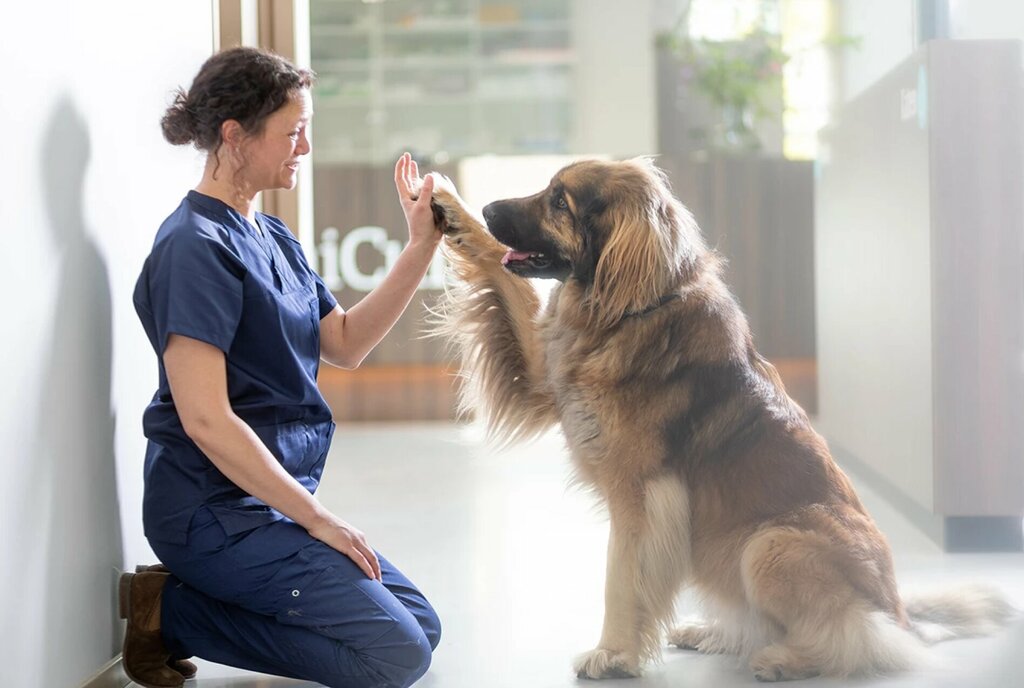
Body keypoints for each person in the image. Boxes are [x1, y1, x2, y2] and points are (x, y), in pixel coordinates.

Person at [121, 46, 442, 688]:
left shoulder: (270, 236)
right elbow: (206, 420)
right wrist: (317, 520)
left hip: (263, 504)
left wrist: (419, 246)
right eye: (293, 132)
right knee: (397, 655)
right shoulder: (193, 247)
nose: (305, 147)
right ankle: (172, 612)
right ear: (235, 137)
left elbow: (345, 343)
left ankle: (191, 604)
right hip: (208, 513)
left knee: (418, 625)